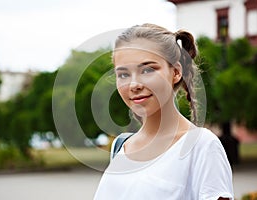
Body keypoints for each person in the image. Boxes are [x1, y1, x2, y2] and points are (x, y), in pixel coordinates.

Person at [94, 23, 233, 200]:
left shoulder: (202, 147)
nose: (134, 84)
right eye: (123, 74)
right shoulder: (121, 146)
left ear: (175, 72)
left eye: (147, 70)